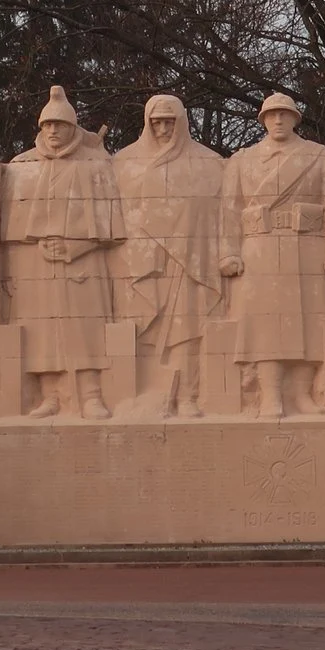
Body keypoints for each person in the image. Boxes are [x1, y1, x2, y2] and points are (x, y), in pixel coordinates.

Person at [219, 91, 325, 418]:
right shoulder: (242, 160)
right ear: (263, 120)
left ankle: (302, 394)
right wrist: (229, 253)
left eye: (284, 115)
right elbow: (230, 211)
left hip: (305, 245)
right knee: (265, 326)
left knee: (309, 322)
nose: (278, 120)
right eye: (271, 115)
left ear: (295, 119)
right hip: (259, 246)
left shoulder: (319, 156)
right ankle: (270, 395)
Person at [2, 86, 125, 418]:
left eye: (60, 124)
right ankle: (51, 396)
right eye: (47, 125)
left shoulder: (95, 164)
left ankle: (91, 395)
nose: (54, 131)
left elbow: (112, 227)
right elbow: (11, 231)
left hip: (83, 264)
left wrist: (76, 246)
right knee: (42, 332)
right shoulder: (22, 165)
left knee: (86, 329)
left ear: (73, 128)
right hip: (36, 264)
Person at [111, 93, 227, 418]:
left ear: (182, 122)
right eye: (156, 122)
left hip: (189, 262)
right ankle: (144, 394)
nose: (163, 128)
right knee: (140, 327)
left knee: (188, 330)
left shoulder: (209, 162)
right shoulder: (124, 162)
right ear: (146, 123)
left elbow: (222, 212)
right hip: (142, 265)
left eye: (169, 121)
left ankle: (188, 395)